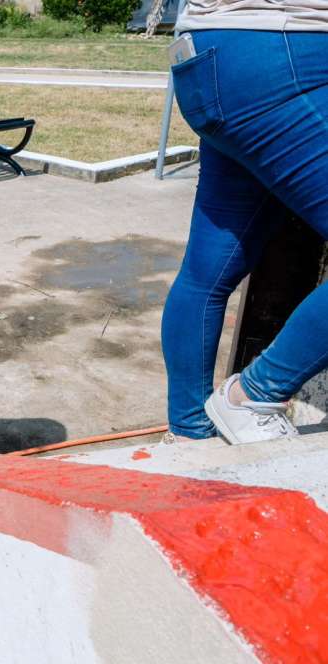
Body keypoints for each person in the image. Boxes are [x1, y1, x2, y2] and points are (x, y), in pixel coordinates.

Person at [161, 5, 328, 445]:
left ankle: (188, 433)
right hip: (286, 56)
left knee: (207, 273)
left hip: (211, 56)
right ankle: (253, 396)